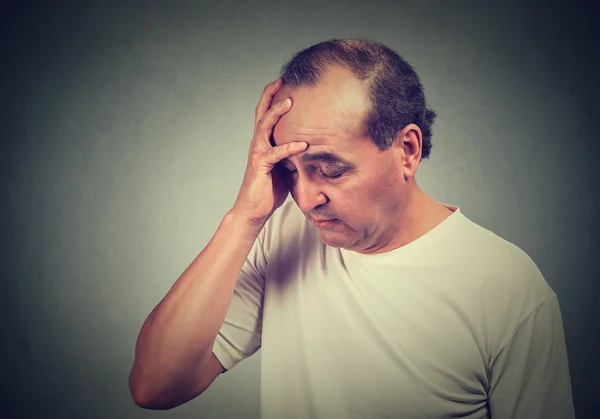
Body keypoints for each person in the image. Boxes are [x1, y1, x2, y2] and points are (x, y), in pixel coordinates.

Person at [128, 39, 576, 418]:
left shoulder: (508, 288)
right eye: (290, 171)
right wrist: (244, 217)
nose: (305, 200)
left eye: (330, 170)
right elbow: (154, 387)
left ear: (407, 150)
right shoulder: (280, 234)